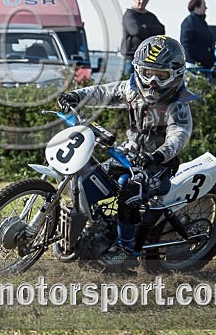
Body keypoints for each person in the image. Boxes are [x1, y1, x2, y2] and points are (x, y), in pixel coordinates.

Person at [58, 35, 196, 269]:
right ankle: (95, 229)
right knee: (92, 179)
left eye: (161, 76)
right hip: (128, 154)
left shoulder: (178, 102)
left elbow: (179, 135)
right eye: (148, 72)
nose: (153, 81)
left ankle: (127, 250)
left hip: (159, 164)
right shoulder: (131, 88)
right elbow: (103, 92)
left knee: (131, 193)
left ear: (175, 74)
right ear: (138, 70)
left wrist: (157, 156)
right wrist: (76, 96)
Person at [121, 0, 165, 76]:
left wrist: (145, 27)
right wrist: (150, 31)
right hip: (131, 57)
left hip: (148, 58)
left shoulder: (151, 16)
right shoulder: (129, 15)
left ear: (148, 1)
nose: (141, 1)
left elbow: (161, 30)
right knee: (129, 84)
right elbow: (135, 30)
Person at [179, 0, 215, 76]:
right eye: (204, 5)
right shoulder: (188, 23)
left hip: (204, 66)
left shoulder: (202, 23)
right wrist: (195, 60)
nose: (206, 8)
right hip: (193, 66)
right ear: (197, 7)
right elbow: (186, 44)